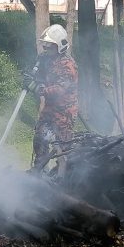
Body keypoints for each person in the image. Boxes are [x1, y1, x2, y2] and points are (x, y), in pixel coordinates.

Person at [31, 24, 78, 172]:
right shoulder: (49, 60)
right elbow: (41, 75)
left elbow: (60, 89)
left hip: (64, 113)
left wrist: (39, 89)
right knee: (40, 140)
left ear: (60, 46)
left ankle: (64, 176)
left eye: (50, 46)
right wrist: (32, 77)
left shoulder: (68, 65)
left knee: (62, 148)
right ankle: (40, 173)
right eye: (45, 45)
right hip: (49, 110)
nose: (46, 49)